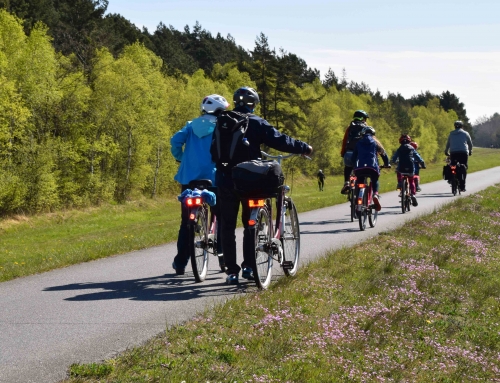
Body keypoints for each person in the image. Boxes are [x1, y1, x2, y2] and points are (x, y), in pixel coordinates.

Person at [212, 86, 312, 285]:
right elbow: (280, 140)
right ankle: (249, 266)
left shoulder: (221, 122)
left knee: (227, 226)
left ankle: (231, 272)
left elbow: (212, 150)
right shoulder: (256, 122)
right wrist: (303, 147)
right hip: (250, 180)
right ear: (253, 104)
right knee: (252, 223)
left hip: (224, 179)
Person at [170, 94, 229, 275]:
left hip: (189, 178)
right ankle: (223, 258)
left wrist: (181, 158)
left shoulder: (190, 125)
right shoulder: (222, 127)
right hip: (214, 177)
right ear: (220, 111)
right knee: (221, 217)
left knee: (185, 222)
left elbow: (175, 141)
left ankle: (181, 263)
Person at [351, 126, 390, 211]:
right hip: (372, 167)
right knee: (374, 180)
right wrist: (387, 164)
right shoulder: (375, 142)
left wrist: (354, 165)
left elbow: (353, 157)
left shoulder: (358, 143)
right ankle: (375, 194)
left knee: (360, 183)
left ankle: (358, 203)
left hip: (360, 168)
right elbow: (383, 154)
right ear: (373, 134)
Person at [340, 110, 370, 194]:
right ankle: (361, 193)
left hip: (349, 154)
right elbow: (372, 143)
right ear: (363, 119)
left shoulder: (349, 128)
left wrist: (343, 153)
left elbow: (345, 141)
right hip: (362, 155)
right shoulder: (366, 128)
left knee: (348, 167)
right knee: (362, 172)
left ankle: (347, 182)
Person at [391, 134, 424, 207]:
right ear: (409, 141)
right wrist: (422, 163)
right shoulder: (412, 148)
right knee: (411, 181)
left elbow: (394, 158)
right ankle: (413, 194)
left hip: (401, 168)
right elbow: (418, 157)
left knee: (399, 173)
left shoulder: (399, 149)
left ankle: (400, 183)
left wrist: (392, 162)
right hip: (410, 168)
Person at [444, 120, 473, 192]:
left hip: (453, 152)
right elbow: (470, 144)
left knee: (453, 165)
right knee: (464, 167)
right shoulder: (465, 133)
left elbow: (448, 144)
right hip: (463, 152)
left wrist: (446, 151)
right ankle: (462, 186)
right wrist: (470, 151)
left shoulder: (451, 134)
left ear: (454, 126)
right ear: (462, 126)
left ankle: (452, 178)